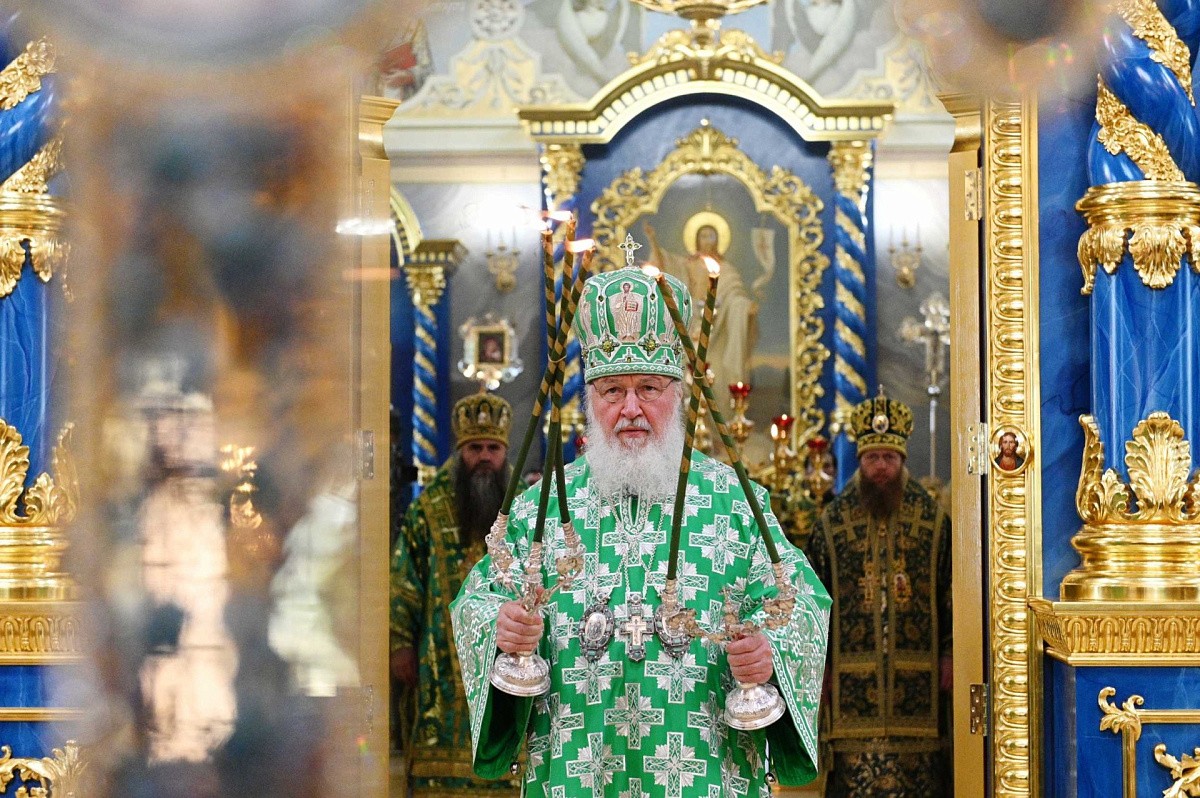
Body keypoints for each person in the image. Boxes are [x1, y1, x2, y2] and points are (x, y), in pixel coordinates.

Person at [451, 265, 831, 796]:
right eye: (612, 391)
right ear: (590, 401)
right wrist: (501, 626)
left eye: (648, 388)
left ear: (678, 394)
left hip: (706, 770)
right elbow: (477, 599)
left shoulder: (735, 501)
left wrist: (772, 651)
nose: (630, 408)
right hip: (576, 768)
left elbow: (802, 601)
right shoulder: (542, 505)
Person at [804, 388, 952, 797]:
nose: (881, 467)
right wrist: (819, 667)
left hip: (918, 689)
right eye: (872, 458)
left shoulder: (933, 520)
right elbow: (812, 602)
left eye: (889, 457)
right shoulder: (832, 524)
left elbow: (951, 594)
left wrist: (950, 654)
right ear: (860, 460)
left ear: (902, 460)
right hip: (850, 691)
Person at [390, 392, 520, 796]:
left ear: (505, 452)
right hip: (439, 668)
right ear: (460, 451)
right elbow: (404, 578)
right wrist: (400, 643)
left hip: (509, 663)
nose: (484, 458)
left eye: (493, 449)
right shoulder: (427, 511)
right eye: (474, 448)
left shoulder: (526, 511)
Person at [646, 214, 758, 418]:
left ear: (719, 240)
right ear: (696, 239)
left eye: (711, 236)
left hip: (717, 331)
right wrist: (653, 240)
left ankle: (717, 428)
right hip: (689, 328)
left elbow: (735, 296)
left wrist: (743, 307)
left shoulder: (726, 269)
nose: (707, 240)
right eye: (703, 236)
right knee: (680, 373)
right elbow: (663, 267)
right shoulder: (687, 264)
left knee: (718, 375)